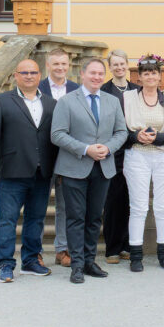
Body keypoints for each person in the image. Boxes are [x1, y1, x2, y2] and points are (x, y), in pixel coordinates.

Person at [49, 57, 128, 284]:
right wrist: (85, 149)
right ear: (82, 75)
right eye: (92, 73)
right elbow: (57, 134)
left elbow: (121, 132)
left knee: (94, 218)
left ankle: (89, 261)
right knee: (75, 218)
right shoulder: (67, 101)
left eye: (100, 74)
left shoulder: (112, 101)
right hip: (74, 168)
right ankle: (76, 265)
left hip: (103, 167)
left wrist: (108, 148)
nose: (96, 77)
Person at [0, 59, 58, 283]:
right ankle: (5, 264)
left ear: (39, 75)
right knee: (7, 219)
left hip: (42, 173)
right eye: (24, 72)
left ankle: (31, 260)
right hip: (13, 172)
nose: (29, 76)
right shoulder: (2, 101)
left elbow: (54, 139)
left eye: (33, 72)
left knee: (36, 219)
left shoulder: (51, 104)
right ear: (16, 75)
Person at [121, 55, 164, 272]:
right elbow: (119, 129)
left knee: (163, 206)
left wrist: (160, 138)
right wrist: (135, 136)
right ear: (139, 77)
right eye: (146, 73)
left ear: (159, 76)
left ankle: (163, 254)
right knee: (138, 207)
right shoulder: (128, 98)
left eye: (154, 72)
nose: (150, 76)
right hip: (137, 155)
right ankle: (136, 256)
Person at [39, 48, 78, 268]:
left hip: (68, 157)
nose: (60, 68)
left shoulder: (76, 89)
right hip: (43, 156)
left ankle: (62, 249)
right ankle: (35, 251)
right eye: (56, 64)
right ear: (48, 65)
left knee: (65, 206)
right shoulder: (37, 88)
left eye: (64, 64)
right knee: (38, 206)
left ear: (69, 65)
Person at [100, 50, 138, 265]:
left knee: (131, 201)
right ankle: (112, 248)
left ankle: (126, 245)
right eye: (115, 64)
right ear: (110, 66)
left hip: (135, 151)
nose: (119, 67)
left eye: (122, 63)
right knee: (113, 201)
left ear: (127, 64)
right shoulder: (105, 90)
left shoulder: (136, 90)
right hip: (113, 152)